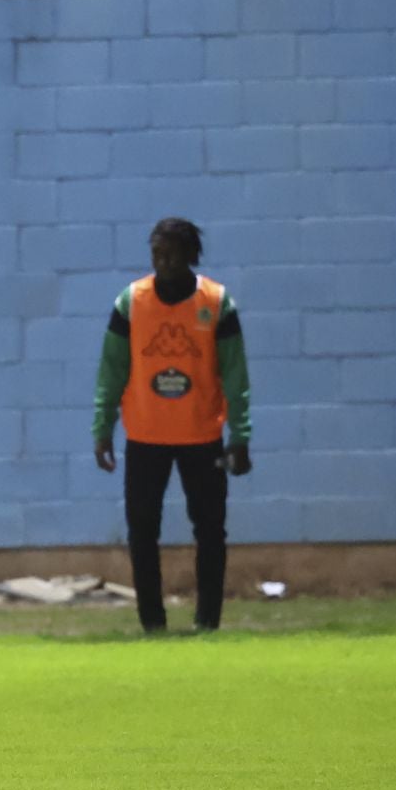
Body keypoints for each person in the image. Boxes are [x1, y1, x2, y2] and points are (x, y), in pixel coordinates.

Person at [92, 217, 253, 633]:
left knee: (211, 532)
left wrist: (241, 436)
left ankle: (208, 622)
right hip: (146, 437)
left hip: (203, 437)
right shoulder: (131, 302)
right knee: (142, 532)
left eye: (172, 255)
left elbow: (236, 377)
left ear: (191, 257)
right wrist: (102, 428)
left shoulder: (217, 303)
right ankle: (153, 625)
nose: (163, 263)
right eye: (156, 255)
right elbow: (111, 371)